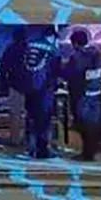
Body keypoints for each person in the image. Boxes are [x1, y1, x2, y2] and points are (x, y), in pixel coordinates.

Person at [16, 27, 62, 159]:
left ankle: (31, 147)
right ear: (52, 37)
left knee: (31, 117)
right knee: (43, 120)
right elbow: (57, 71)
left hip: (29, 89)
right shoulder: (52, 49)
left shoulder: (30, 45)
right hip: (44, 90)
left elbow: (22, 66)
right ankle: (42, 151)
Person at [63, 28, 101, 161]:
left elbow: (69, 74)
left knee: (83, 124)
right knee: (92, 124)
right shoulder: (98, 54)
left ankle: (87, 154)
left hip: (80, 95)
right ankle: (90, 152)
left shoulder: (76, 57)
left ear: (75, 43)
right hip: (95, 93)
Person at [0, 27, 28, 147]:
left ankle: (14, 140)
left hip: (15, 84)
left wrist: (3, 83)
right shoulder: (30, 49)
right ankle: (28, 138)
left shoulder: (10, 49)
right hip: (30, 86)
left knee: (15, 114)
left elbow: (3, 68)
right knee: (29, 114)